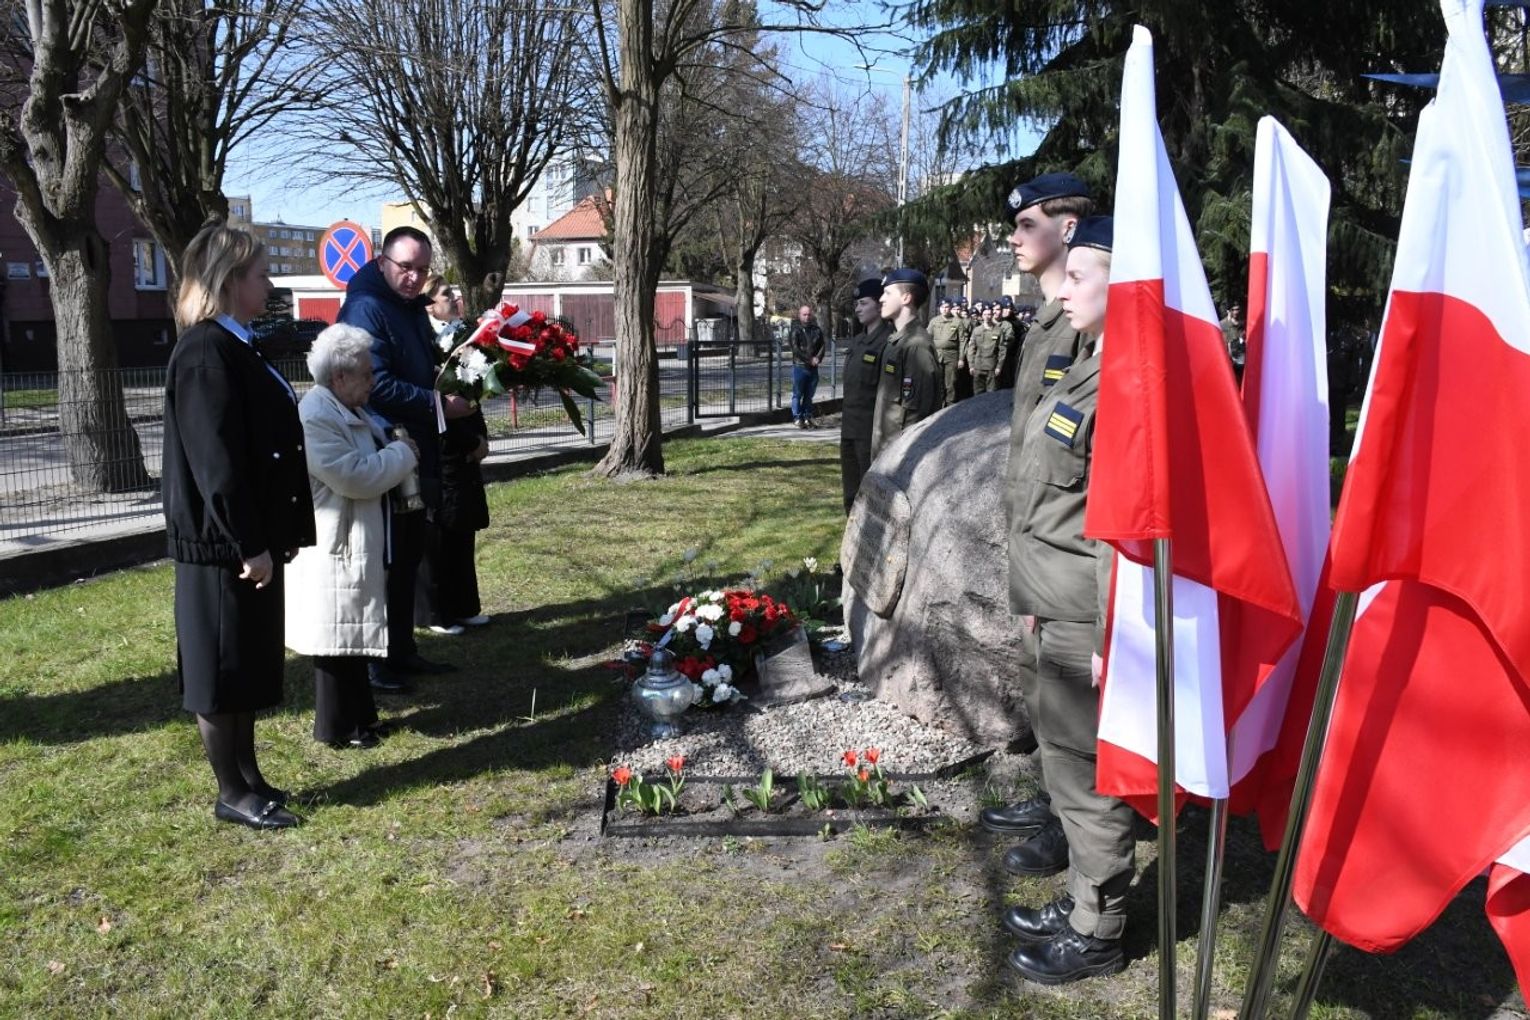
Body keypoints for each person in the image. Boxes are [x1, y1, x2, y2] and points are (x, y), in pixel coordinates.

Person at [1004, 216, 1132, 984]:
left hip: (1086, 615)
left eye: (1081, 276)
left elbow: (1121, 528)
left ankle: (1099, 930)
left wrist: (1113, 634)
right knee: (1063, 762)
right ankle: (1085, 898)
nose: (1066, 289)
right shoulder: (1085, 360)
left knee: (1087, 778)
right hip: (1051, 601)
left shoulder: (1122, 382)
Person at [162, 220, 315, 830]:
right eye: (260, 274)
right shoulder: (205, 352)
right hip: (222, 545)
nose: (270, 285)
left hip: (246, 540)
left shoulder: (236, 343)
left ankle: (249, 775)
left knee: (245, 664)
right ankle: (230, 791)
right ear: (227, 281)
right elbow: (216, 462)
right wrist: (249, 543)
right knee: (220, 671)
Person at [984, 172, 1096, 877]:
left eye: (1028, 224)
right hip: (1035, 540)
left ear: (1068, 228)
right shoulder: (1046, 321)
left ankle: (1072, 825)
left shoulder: (1084, 325)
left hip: (1066, 549)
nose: (1014, 237)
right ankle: (1057, 800)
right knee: (1039, 688)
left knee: (1068, 703)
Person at [337, 226, 474, 691]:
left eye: (422, 269)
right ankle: (376, 662)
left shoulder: (407, 305)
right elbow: (373, 382)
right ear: (383, 263)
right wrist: (439, 405)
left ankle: (401, 650)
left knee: (408, 555)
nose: (415, 277)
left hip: (413, 447)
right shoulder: (366, 307)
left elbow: (420, 366)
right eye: (405, 267)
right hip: (383, 447)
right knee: (385, 560)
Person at [285, 324, 420, 749]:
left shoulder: (346, 408)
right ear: (340, 377)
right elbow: (354, 476)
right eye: (366, 374)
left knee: (352, 633)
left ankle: (362, 719)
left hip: (353, 535)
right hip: (333, 540)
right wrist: (402, 454)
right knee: (335, 637)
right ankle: (338, 727)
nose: (373, 381)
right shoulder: (316, 415)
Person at [420, 275, 492, 635]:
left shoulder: (462, 339)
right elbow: (439, 402)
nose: (454, 298)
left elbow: (471, 395)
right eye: (446, 294)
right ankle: (438, 612)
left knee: (463, 529)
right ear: (430, 305)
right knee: (441, 534)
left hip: (466, 444)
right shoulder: (425, 344)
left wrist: (480, 438)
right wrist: (468, 441)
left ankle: (464, 606)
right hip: (444, 448)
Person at [869, 268, 943, 458]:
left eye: (887, 293)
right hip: (887, 451)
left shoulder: (916, 346)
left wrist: (902, 458)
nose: (881, 299)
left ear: (906, 298)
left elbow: (917, 416)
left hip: (901, 455)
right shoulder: (897, 341)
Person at [839, 277, 894, 513]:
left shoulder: (888, 342)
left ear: (879, 305)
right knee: (850, 492)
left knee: (870, 492)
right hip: (849, 428)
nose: (858, 309)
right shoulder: (858, 341)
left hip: (870, 431)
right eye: (856, 304)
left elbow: (888, 393)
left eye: (863, 303)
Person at [787, 305, 827, 428]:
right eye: (804, 314)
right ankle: (797, 417)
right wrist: (809, 359)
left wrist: (818, 358)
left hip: (813, 368)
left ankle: (807, 416)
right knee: (798, 394)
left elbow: (822, 346)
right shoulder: (795, 330)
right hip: (800, 366)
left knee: (809, 395)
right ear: (800, 315)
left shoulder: (817, 330)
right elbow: (795, 349)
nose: (807, 317)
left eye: (809, 314)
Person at [965, 302, 1006, 394]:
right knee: (977, 394)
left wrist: (999, 367)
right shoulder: (977, 330)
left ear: (992, 315)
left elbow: (1002, 351)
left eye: (989, 314)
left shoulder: (998, 331)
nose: (987, 316)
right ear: (982, 316)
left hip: (991, 367)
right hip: (978, 367)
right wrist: (971, 365)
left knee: (991, 395)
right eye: (985, 314)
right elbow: (971, 349)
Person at [931, 296, 964, 407]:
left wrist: (961, 358)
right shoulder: (934, 321)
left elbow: (962, 341)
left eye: (947, 307)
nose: (945, 309)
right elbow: (928, 337)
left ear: (950, 308)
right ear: (939, 308)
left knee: (951, 382)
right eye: (942, 307)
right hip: (937, 355)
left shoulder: (957, 322)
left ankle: (950, 405)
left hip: (952, 355)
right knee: (938, 382)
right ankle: (939, 405)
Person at [1221, 302, 1246, 381]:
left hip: (1242, 359)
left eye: (1237, 309)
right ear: (1229, 311)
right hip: (1229, 360)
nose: (1236, 312)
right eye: (1233, 310)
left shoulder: (1243, 323)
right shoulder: (1223, 324)